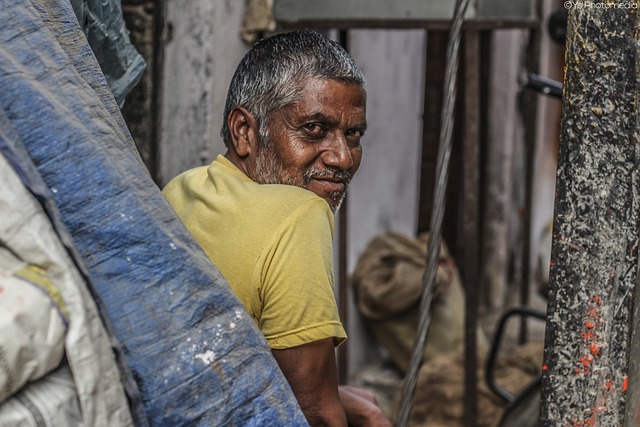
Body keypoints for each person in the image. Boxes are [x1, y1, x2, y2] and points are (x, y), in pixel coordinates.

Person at [163, 30, 391, 426]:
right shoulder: (299, 214)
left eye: (352, 134)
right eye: (314, 129)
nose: (341, 157)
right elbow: (313, 414)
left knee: (361, 401)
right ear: (244, 132)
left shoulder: (183, 188)